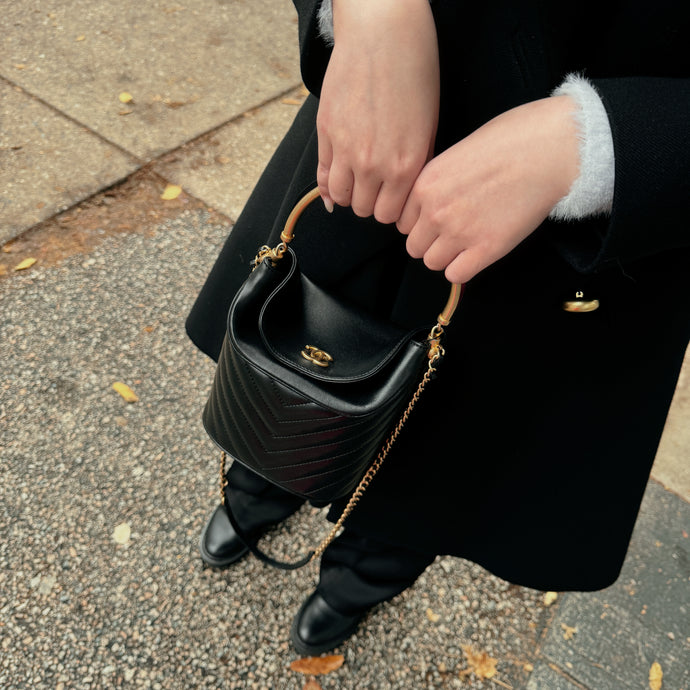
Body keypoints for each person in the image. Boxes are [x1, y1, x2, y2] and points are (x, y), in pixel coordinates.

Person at [187, 0, 690, 656]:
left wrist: (602, 143)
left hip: (586, 249)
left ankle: (354, 584)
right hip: (378, 136)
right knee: (281, 384)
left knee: (433, 473)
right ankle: (252, 497)